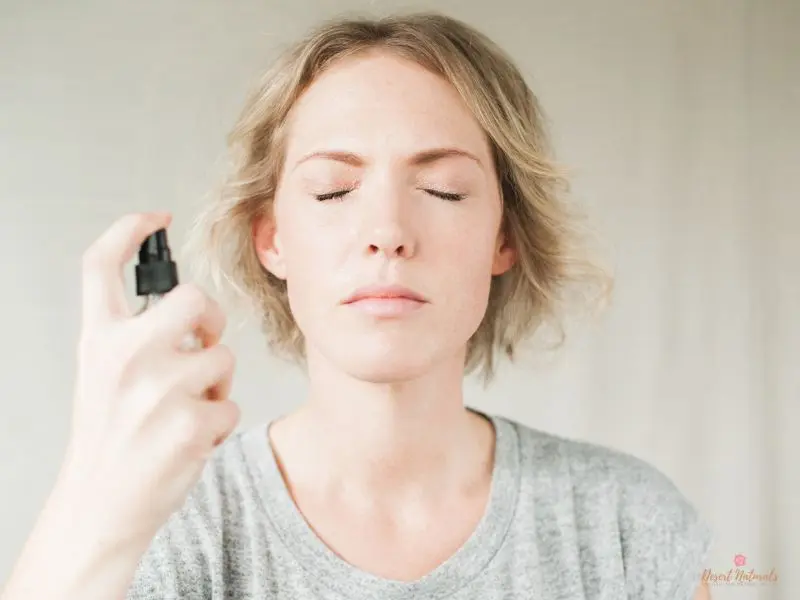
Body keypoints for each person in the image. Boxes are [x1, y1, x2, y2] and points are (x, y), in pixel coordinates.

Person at [1, 11, 714, 600]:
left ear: (505, 237)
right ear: (274, 240)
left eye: (443, 191)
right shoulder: (167, 526)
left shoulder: (630, 527)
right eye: (334, 191)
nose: (388, 234)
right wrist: (93, 506)